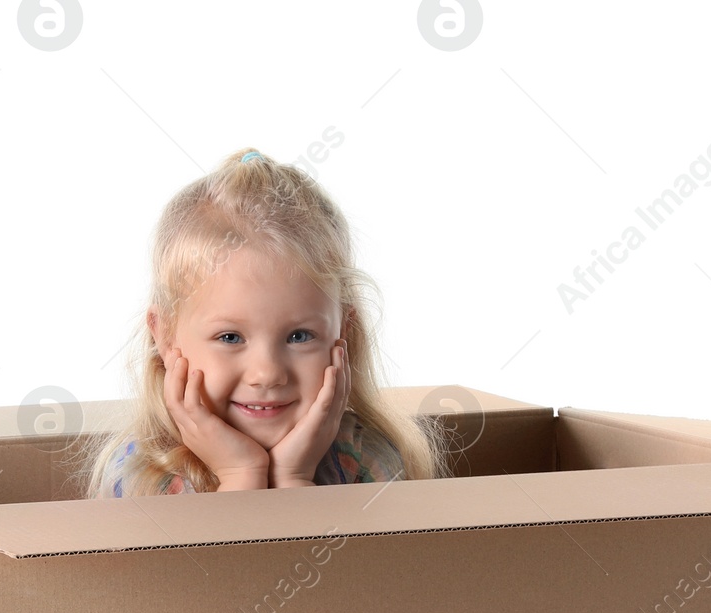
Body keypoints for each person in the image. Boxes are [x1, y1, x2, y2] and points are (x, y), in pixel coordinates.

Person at [73, 148, 451, 498]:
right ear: (165, 335)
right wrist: (242, 475)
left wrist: (295, 478)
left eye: (299, 336)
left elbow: (369, 572)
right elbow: (213, 573)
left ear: (343, 334)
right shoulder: (144, 476)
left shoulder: (366, 461)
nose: (267, 374)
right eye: (231, 337)